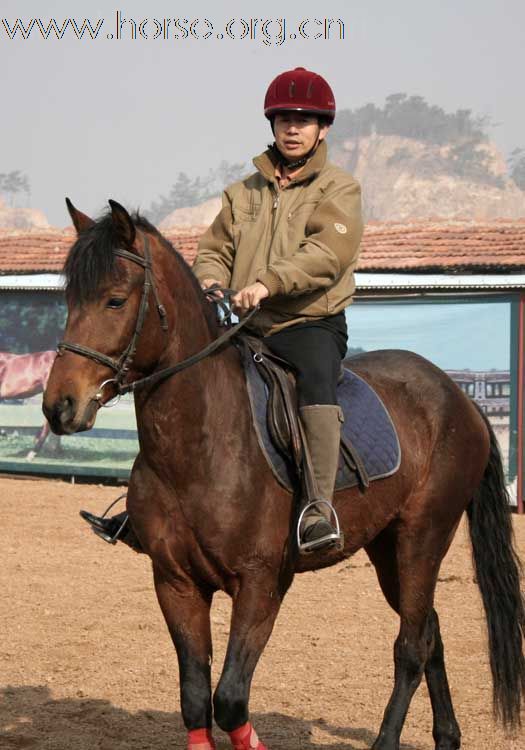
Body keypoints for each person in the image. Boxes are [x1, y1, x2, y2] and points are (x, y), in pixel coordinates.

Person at [82, 66, 363, 554]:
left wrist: (267, 283)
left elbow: (327, 255)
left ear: (323, 128)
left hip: (308, 324)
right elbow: (214, 249)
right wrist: (210, 279)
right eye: (284, 119)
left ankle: (319, 507)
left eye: (304, 119)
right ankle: (146, 504)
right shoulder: (243, 192)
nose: (292, 128)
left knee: (317, 379)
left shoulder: (339, 189)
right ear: (272, 125)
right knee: (177, 381)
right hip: (248, 325)